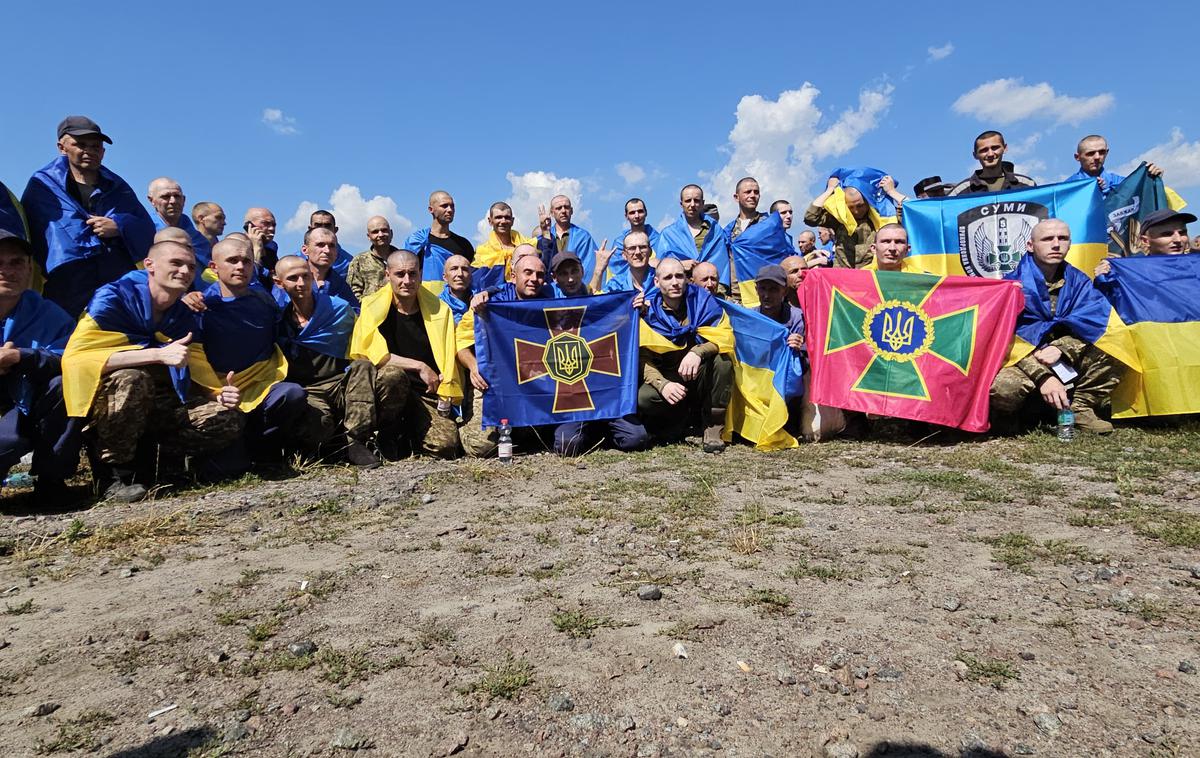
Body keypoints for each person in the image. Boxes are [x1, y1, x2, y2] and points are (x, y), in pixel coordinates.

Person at [61, 241, 244, 502]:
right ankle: (112, 476)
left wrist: (218, 394)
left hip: (161, 404)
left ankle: (163, 466)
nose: (185, 271)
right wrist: (157, 354)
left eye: (191, 266)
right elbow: (77, 357)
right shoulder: (113, 298)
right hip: (112, 400)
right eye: (176, 263)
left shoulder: (182, 315)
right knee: (133, 379)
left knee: (227, 418)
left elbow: (196, 364)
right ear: (150, 265)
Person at [990, 220, 1126, 434]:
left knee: (1118, 348)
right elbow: (1004, 343)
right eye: (1047, 239)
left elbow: (1097, 326)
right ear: (1030, 245)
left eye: (1062, 238)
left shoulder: (1079, 283)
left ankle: (1079, 408)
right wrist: (1043, 376)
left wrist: (1063, 348)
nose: (1056, 244)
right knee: (1005, 388)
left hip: (1064, 359)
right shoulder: (1011, 287)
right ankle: (1013, 415)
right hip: (1024, 360)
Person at [22, 116, 155, 317]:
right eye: (81, 144)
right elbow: (38, 233)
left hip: (113, 281)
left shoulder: (118, 187)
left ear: (103, 152)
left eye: (95, 146)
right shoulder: (43, 185)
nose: (89, 151)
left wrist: (119, 225)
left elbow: (145, 227)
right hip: (66, 284)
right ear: (62, 147)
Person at [274, 255, 399, 468]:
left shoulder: (337, 309)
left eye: (305, 276)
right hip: (310, 391)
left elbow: (364, 338)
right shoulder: (278, 320)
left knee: (363, 365)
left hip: (342, 383)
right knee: (318, 429)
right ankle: (333, 444)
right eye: (293, 278)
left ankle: (356, 440)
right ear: (279, 283)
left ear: (313, 276)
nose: (301, 283)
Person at [197, 238, 307, 462]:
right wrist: (213, 393)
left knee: (293, 394)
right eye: (232, 261)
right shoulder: (200, 305)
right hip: (219, 392)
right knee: (228, 469)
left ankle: (262, 444)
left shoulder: (263, 301)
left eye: (246, 261)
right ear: (214, 267)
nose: (240, 267)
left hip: (262, 386)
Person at [351, 250, 461, 458]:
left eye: (413, 274)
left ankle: (410, 433)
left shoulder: (440, 310)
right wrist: (420, 366)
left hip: (425, 393)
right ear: (387, 275)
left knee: (445, 446)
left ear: (420, 274)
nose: (407, 280)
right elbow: (372, 356)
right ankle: (385, 433)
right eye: (400, 274)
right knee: (393, 375)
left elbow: (447, 359)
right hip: (387, 390)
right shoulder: (371, 308)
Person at [0, 230, 81, 502]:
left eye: (16, 262)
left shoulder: (45, 311)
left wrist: (21, 356)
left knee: (64, 383)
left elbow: (69, 356)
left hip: (19, 399)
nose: (7, 271)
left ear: (28, 269)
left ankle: (52, 480)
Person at [455, 251, 553, 457]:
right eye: (527, 273)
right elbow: (460, 343)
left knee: (540, 437)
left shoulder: (550, 301)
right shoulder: (488, 303)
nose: (534, 279)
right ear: (512, 276)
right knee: (481, 447)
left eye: (539, 274)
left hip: (535, 380)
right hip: (494, 381)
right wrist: (473, 366)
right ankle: (461, 426)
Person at [638, 257, 734, 453]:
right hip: (670, 376)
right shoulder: (648, 313)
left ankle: (713, 427)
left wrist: (697, 352)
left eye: (679, 276)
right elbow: (643, 357)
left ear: (687, 279)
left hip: (700, 375)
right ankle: (677, 422)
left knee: (723, 361)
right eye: (668, 277)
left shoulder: (703, 301)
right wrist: (662, 385)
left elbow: (724, 336)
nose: (675, 282)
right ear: (657, 282)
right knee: (644, 398)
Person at [656, 185, 731, 291]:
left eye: (696, 200)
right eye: (688, 201)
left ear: (702, 203)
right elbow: (660, 266)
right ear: (681, 204)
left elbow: (722, 262)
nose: (692, 204)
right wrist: (681, 264)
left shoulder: (715, 230)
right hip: (681, 292)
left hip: (713, 290)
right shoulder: (668, 235)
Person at [804, 176, 881, 268]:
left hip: (871, 274)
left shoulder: (880, 218)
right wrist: (829, 190)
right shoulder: (839, 219)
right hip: (842, 273)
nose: (856, 211)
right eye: (851, 207)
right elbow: (810, 218)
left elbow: (901, 216)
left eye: (860, 206)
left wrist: (891, 192)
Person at [147, 177, 212, 286]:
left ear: (184, 200)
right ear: (151, 200)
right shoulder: (142, 231)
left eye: (177, 196)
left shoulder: (198, 239)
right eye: (166, 196)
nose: (173, 201)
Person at [405, 191, 476, 285]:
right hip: (424, 297)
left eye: (452, 206)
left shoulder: (463, 244)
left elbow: (472, 277)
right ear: (431, 209)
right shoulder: (417, 242)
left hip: (454, 299)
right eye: (444, 206)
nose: (450, 210)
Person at [1066, 135, 1162, 197]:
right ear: (1077, 157)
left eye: (1102, 152)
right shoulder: (1067, 188)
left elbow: (1146, 197)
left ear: (1107, 152)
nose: (1097, 157)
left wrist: (1153, 181)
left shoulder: (1121, 183)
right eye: (1090, 153)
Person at [948, 131, 1036, 196]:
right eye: (984, 150)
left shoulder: (1026, 185)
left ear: (1005, 148)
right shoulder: (960, 192)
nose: (990, 154)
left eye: (995, 148)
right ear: (975, 155)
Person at [537, 194, 599, 280]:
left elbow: (588, 267)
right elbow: (541, 264)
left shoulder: (583, 237)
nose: (563, 211)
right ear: (552, 212)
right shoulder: (544, 235)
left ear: (572, 211)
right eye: (559, 208)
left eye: (566, 207)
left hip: (575, 287)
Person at [474, 201, 534, 285]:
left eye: (507, 217)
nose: (503, 221)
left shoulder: (528, 246)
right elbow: (477, 282)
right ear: (490, 221)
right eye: (498, 217)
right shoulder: (482, 251)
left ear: (512, 221)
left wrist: (545, 232)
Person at [301, 227, 358, 308]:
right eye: (320, 245)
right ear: (305, 250)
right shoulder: (292, 279)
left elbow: (354, 312)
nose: (327, 250)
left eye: (332, 246)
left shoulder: (340, 284)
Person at [606, 198, 661, 282]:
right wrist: (647, 264)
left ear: (646, 213)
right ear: (626, 216)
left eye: (640, 211)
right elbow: (616, 270)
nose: (636, 216)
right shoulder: (619, 243)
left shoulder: (659, 239)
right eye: (632, 213)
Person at [347, 215, 398, 301]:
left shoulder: (402, 259)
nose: (380, 234)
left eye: (384, 230)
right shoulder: (359, 261)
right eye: (375, 232)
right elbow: (352, 292)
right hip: (369, 311)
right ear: (368, 236)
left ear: (391, 233)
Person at [300, 209, 355, 277]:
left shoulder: (348, 263)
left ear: (335, 230)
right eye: (318, 225)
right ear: (310, 229)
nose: (323, 229)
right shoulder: (295, 260)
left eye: (327, 225)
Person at [243, 207, 280, 282]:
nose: (271, 228)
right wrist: (256, 249)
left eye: (274, 225)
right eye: (266, 223)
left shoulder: (271, 250)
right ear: (249, 225)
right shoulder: (237, 248)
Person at [439, 254, 472, 322]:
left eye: (464, 269)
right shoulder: (436, 306)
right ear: (445, 277)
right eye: (454, 269)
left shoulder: (481, 302)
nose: (460, 274)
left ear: (471, 276)